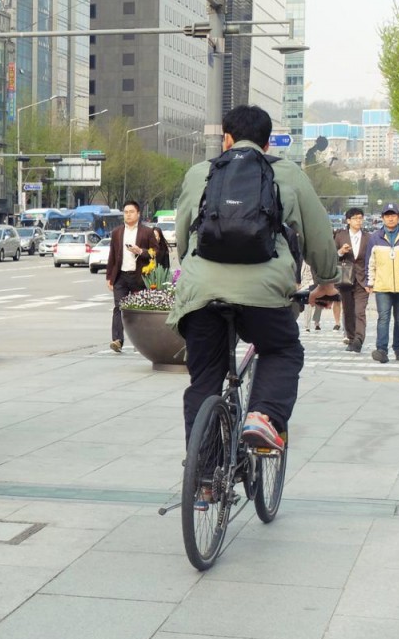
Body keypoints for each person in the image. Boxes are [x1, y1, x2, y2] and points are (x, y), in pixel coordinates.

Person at [170, 104, 339, 465]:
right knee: (281, 351)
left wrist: (192, 269)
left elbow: (183, 234)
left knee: (204, 380)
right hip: (265, 292)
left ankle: (203, 479)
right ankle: (263, 417)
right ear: (266, 144)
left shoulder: (201, 172)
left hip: (202, 291)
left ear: (226, 139)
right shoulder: (288, 173)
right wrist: (326, 281)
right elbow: (320, 236)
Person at [365, 202, 399, 363]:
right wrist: (369, 282)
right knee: (383, 317)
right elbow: (370, 262)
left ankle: (398, 348)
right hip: (382, 285)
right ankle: (381, 350)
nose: (390, 218)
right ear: (383, 218)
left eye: (393, 215)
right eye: (387, 215)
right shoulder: (375, 238)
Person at [106, 200, 157, 352]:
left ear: (138, 214)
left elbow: (156, 251)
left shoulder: (146, 232)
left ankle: (141, 342)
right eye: (126, 212)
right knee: (118, 307)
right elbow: (112, 256)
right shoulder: (117, 232)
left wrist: (141, 251)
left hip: (139, 276)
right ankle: (117, 340)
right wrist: (109, 277)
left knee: (140, 310)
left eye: (131, 212)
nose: (128, 215)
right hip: (121, 275)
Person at [335, 208, 371, 352]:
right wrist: (340, 252)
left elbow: (372, 259)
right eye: (355, 218)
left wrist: (371, 280)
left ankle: (359, 339)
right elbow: (332, 255)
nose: (359, 221)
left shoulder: (369, 237)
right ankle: (350, 338)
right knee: (348, 310)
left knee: (359, 311)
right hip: (345, 278)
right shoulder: (340, 236)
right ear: (348, 220)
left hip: (363, 280)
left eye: (361, 218)